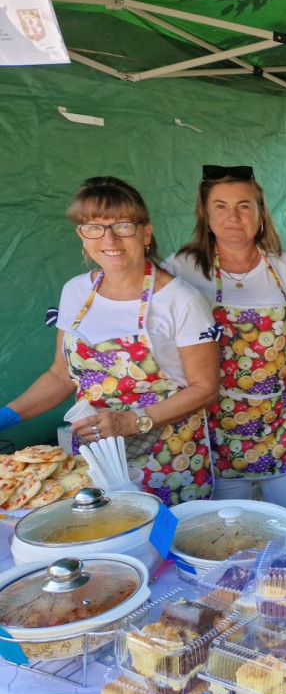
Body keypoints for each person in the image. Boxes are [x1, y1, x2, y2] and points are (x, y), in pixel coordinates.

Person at [0, 177, 220, 504]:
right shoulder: (75, 292)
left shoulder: (180, 300)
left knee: (165, 549)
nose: (109, 238)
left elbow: (205, 388)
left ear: (146, 233)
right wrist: (8, 415)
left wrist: (132, 421)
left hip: (167, 461)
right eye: (94, 227)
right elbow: (61, 376)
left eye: (123, 225)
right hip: (96, 460)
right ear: (82, 236)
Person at [165, 164, 286, 532]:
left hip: (282, 423)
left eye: (244, 206)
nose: (233, 216)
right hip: (215, 427)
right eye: (220, 206)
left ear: (259, 214)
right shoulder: (182, 269)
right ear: (205, 215)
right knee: (224, 531)